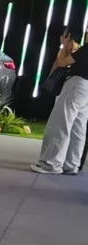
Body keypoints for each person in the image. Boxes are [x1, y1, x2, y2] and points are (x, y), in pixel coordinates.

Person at [32, 31, 88, 174]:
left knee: (61, 123)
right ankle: (71, 164)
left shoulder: (86, 49)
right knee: (78, 127)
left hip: (77, 85)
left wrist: (63, 46)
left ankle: (51, 164)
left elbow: (62, 62)